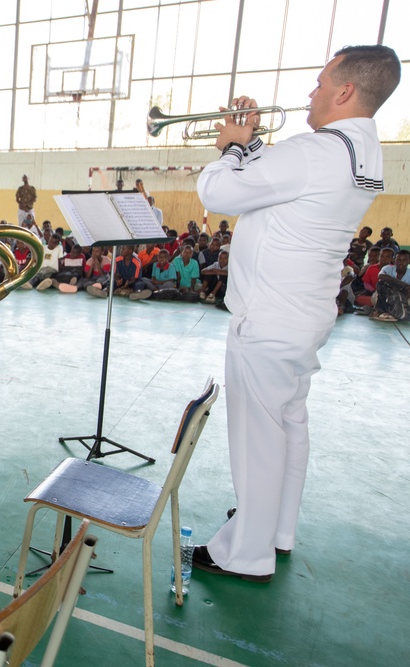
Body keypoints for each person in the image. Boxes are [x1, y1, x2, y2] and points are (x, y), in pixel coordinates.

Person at [192, 45, 401, 582]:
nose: (310, 92)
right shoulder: (359, 149)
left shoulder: (315, 151)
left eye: (319, 81)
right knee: (288, 427)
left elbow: (218, 190)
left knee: (258, 439)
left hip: (268, 318)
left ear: (345, 91)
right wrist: (254, 142)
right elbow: (284, 181)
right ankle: (278, 531)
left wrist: (231, 148)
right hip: (304, 316)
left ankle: (246, 554)